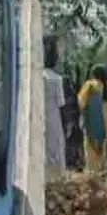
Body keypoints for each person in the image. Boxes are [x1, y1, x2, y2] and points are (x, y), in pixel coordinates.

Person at [77, 66, 107, 176]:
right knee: (102, 145)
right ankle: (101, 170)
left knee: (89, 144)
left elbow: (82, 102)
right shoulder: (106, 86)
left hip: (93, 117)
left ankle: (91, 171)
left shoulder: (90, 85)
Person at [43, 39, 67, 177]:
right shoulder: (56, 79)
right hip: (53, 118)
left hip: (36, 116)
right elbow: (61, 103)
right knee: (54, 148)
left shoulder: (36, 77)